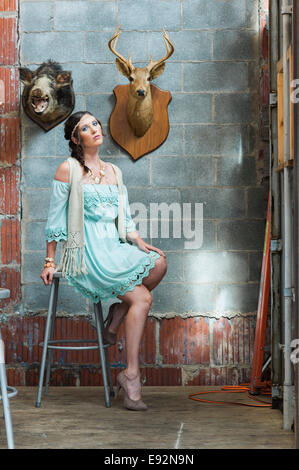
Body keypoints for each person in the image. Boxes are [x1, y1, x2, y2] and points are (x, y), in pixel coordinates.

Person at [40, 111, 167, 411]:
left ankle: (116, 316)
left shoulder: (113, 172)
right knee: (143, 298)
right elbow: (55, 218)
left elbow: (123, 220)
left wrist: (138, 241)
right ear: (75, 138)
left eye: (95, 123)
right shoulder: (67, 169)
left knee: (159, 262)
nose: (95, 129)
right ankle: (131, 375)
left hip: (115, 246)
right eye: (86, 127)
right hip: (87, 252)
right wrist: (49, 260)